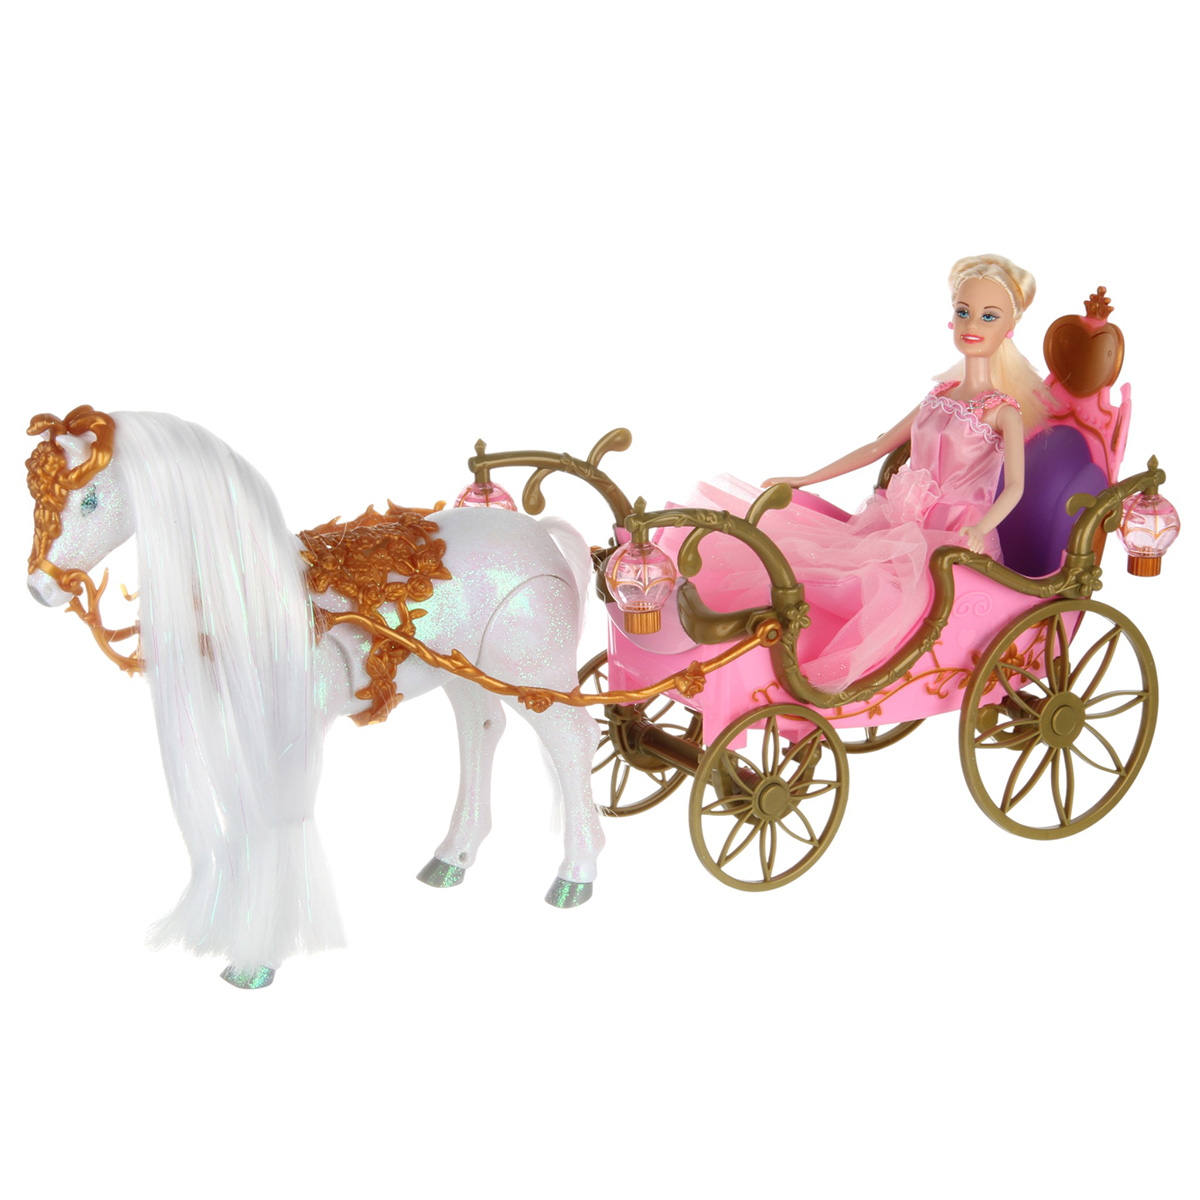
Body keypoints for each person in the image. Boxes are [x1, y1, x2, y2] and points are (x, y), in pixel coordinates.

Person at [660, 254, 1049, 693]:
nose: (971, 324)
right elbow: (877, 447)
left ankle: (822, 673)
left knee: (879, 592)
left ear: (1010, 327)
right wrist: (805, 479)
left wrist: (980, 527)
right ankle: (770, 658)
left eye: (988, 316)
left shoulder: (1003, 411)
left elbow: (1014, 487)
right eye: (963, 312)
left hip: (957, 538)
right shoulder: (939, 395)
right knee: (817, 564)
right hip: (901, 523)